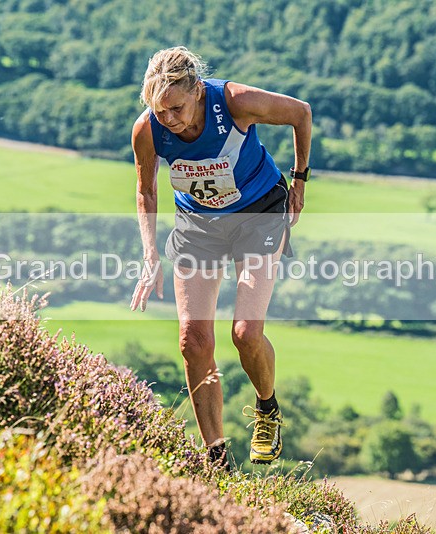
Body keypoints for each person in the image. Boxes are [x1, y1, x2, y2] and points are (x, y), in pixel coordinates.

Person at [129, 46, 311, 468]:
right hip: (198, 225)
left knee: (245, 333)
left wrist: (300, 182)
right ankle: (216, 458)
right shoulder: (147, 130)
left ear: (196, 91)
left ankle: (267, 409)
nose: (168, 119)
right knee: (193, 342)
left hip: (259, 214)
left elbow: (301, 113)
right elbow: (146, 190)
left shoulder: (233, 102)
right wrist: (150, 254)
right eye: (159, 111)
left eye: (175, 108)